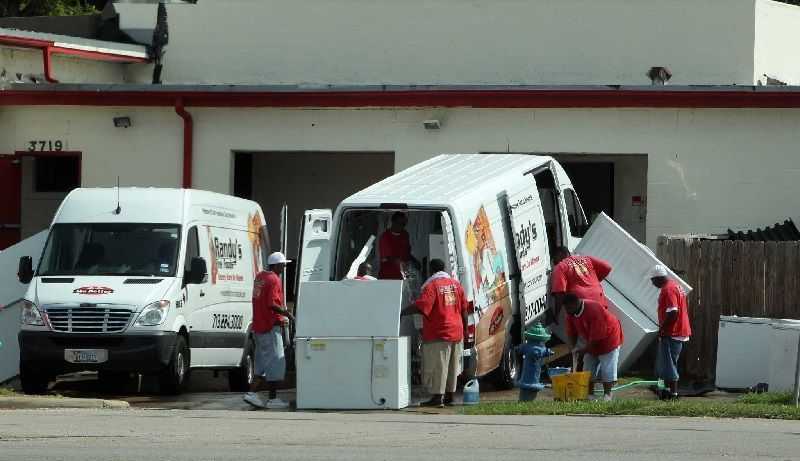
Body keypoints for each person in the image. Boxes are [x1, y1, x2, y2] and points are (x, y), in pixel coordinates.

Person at [401, 259, 468, 408]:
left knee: (439, 366)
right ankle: (450, 396)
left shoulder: (432, 286)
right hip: (456, 331)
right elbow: (464, 309)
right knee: (452, 366)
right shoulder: (456, 284)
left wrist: (402, 312)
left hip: (440, 332)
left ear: (431, 270)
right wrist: (465, 330)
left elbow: (422, 306)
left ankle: (438, 397)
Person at [243, 252, 294, 409]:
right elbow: (271, 303)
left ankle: (252, 393)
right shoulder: (273, 279)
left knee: (262, 363)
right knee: (276, 361)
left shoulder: (259, 277)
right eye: (283, 264)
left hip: (259, 326)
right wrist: (287, 314)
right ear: (276, 265)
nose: (284, 267)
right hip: (270, 326)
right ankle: (271, 399)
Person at [549, 247, 613, 365]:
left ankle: (586, 368)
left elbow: (559, 293)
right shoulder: (585, 259)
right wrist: (593, 282)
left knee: (587, 336)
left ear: (560, 255)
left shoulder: (560, 267)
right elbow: (607, 267)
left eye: (554, 259)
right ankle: (601, 367)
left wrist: (556, 314)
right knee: (601, 334)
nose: (554, 262)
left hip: (580, 303)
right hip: (599, 299)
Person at [562, 293, 624, 401]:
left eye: (568, 307)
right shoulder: (570, 313)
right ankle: (589, 394)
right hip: (591, 340)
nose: (567, 310)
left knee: (607, 368)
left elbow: (596, 339)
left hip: (609, 338)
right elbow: (571, 333)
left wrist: (583, 351)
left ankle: (607, 395)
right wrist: (573, 349)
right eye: (566, 308)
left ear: (575, 303)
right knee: (588, 368)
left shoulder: (594, 309)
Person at [649, 264, 692, 401]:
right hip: (680, 330)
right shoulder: (676, 286)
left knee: (669, 363)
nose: (652, 283)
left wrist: (663, 330)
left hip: (672, 332)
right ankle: (665, 390)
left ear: (658, 278)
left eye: (653, 280)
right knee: (668, 362)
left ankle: (673, 394)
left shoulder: (668, 290)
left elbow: (673, 312)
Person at [378, 212, 420, 279]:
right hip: (388, 275)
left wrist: (414, 261)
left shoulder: (405, 234)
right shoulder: (385, 236)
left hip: (402, 275)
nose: (402, 226)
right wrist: (401, 263)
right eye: (399, 223)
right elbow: (386, 257)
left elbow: (407, 253)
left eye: (404, 224)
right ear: (393, 222)